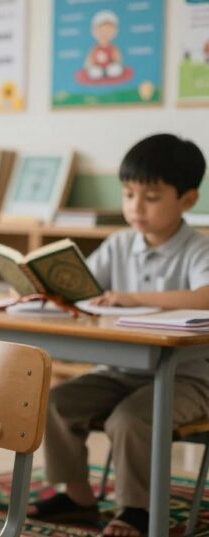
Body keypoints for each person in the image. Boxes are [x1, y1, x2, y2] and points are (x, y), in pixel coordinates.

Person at [29, 134, 209, 537]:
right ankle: (78, 497)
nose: (135, 207)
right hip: (120, 371)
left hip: (190, 378)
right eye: (128, 194)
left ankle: (139, 510)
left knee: (131, 420)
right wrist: (39, 288)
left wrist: (130, 297)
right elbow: (86, 288)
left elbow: (205, 296)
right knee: (57, 402)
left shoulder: (199, 249)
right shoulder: (118, 245)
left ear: (187, 199)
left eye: (150, 196)